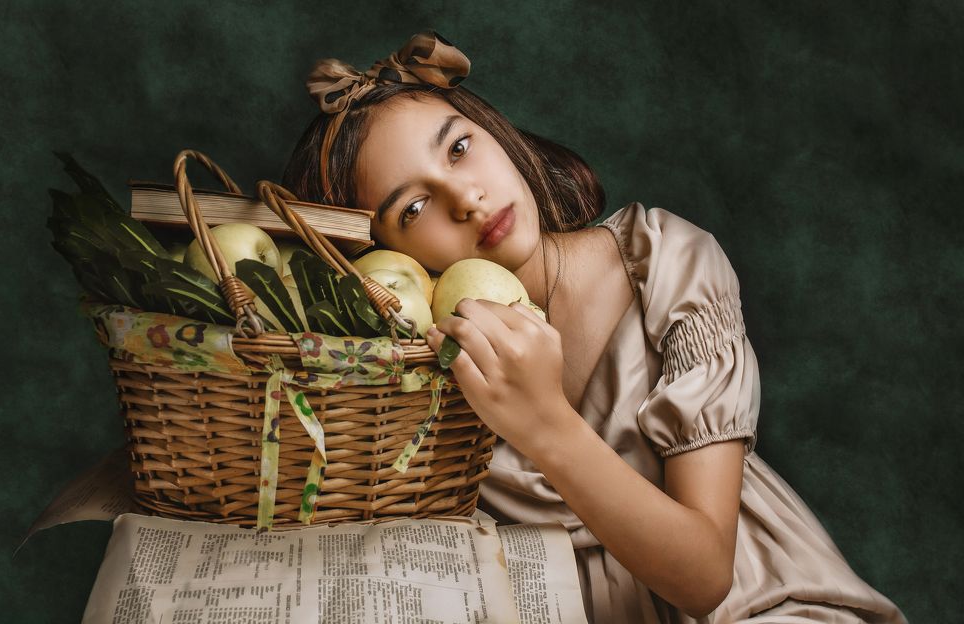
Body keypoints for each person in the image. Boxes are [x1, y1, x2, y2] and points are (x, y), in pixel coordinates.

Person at [282, 30, 908, 624]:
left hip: (751, 603)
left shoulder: (665, 262)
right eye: (414, 208)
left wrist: (543, 422)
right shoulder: (407, 364)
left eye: (459, 148)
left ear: (493, 130)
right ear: (380, 255)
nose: (466, 199)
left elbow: (705, 574)